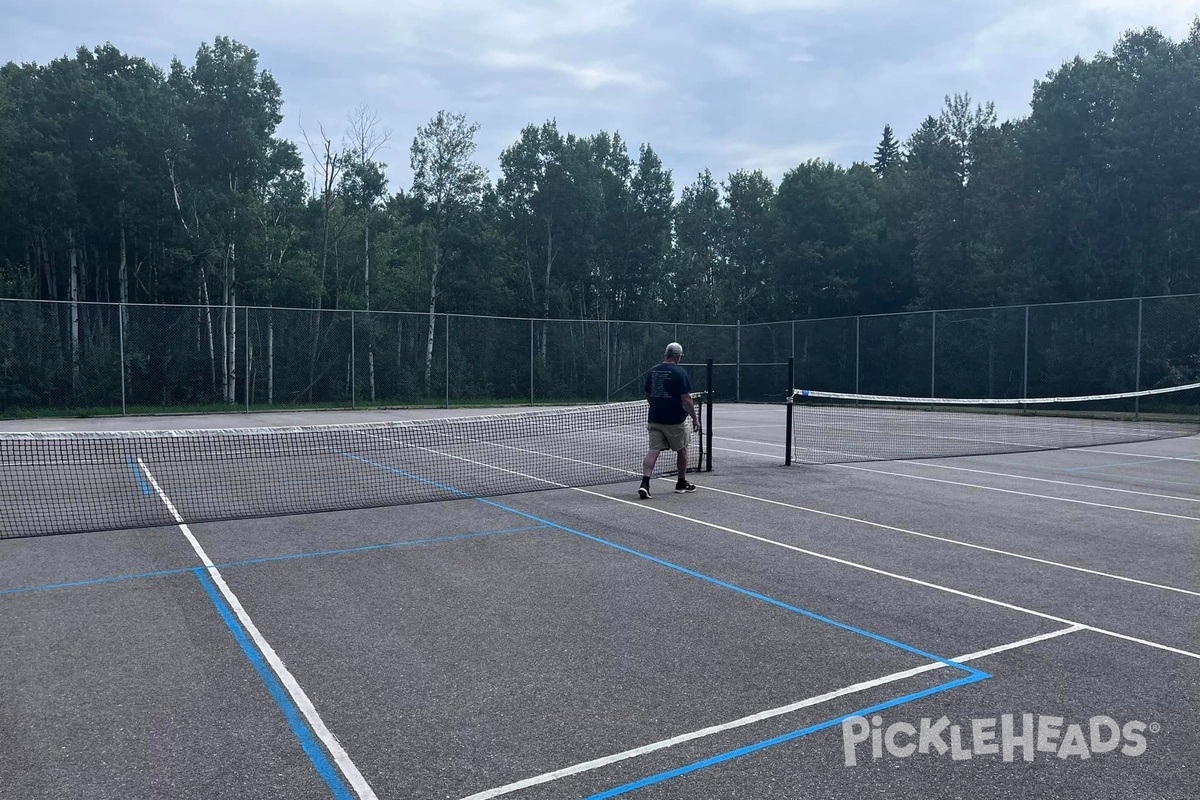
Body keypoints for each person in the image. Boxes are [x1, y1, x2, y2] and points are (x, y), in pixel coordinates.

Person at [639, 342, 701, 499]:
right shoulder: (679, 372)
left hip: (655, 418)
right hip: (675, 420)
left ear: (665, 353)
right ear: (677, 356)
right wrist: (695, 418)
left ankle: (645, 484)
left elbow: (648, 393)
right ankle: (681, 483)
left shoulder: (653, 371)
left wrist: (655, 406)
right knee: (683, 449)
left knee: (653, 450)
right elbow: (686, 398)